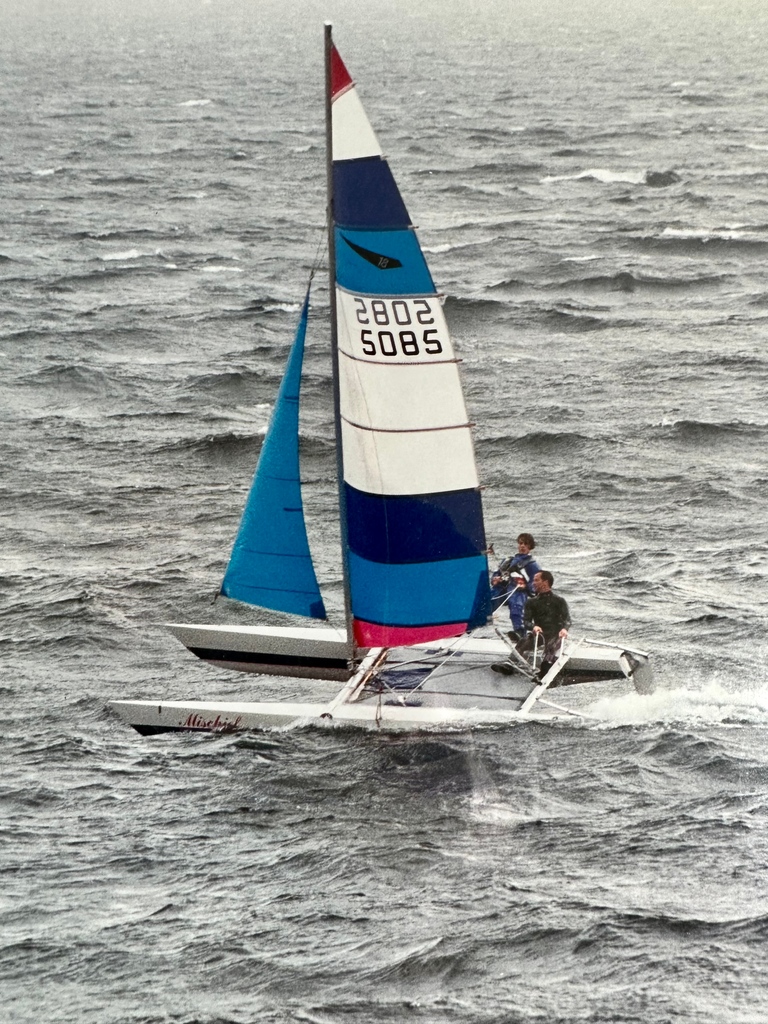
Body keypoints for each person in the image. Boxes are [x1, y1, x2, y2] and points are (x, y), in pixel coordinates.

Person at [493, 570, 571, 678]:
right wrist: (534, 626)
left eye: (536, 580)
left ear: (545, 582)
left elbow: (567, 620)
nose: (533, 583)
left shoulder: (559, 601)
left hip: (555, 633)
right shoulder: (531, 602)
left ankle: (544, 670)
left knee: (551, 647)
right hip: (539, 632)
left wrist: (564, 629)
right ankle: (509, 665)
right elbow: (526, 622)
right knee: (523, 641)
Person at [489, 533, 541, 632]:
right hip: (502, 589)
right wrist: (495, 579)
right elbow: (496, 573)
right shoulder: (507, 560)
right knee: (486, 604)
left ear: (530, 546)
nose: (522, 546)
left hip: (517, 592)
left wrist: (525, 585)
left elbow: (536, 582)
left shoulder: (532, 564)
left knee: (516, 613)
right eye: (521, 543)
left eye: (526, 544)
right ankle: (467, 628)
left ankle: (520, 635)